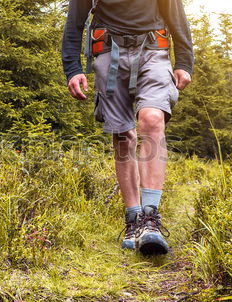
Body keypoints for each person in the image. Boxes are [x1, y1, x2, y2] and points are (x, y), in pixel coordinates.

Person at [61, 0, 193, 255]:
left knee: (152, 119)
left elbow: (177, 16)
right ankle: (133, 219)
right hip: (109, 54)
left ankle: (151, 218)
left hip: (154, 50)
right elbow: (73, 24)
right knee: (123, 135)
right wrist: (73, 69)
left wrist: (184, 62)